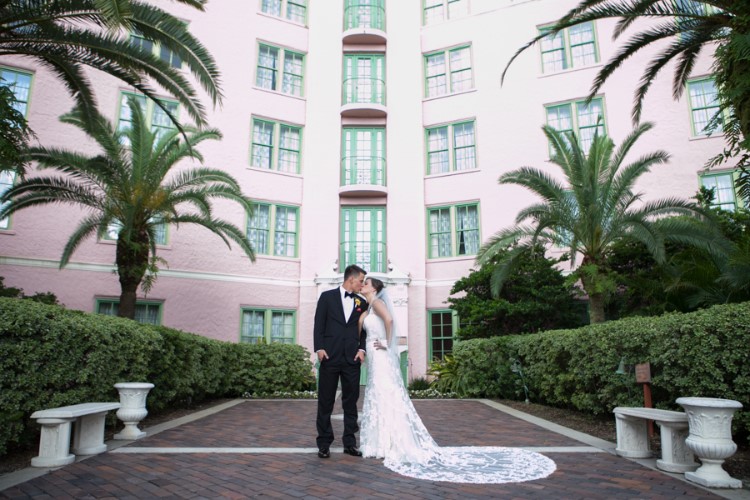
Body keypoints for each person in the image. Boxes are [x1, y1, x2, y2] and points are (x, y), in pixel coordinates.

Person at [357, 277, 558, 484]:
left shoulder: (378, 303)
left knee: (385, 394)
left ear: (375, 288)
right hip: (375, 357)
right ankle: (382, 441)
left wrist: (386, 344)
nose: (363, 284)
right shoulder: (370, 307)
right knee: (378, 395)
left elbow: (390, 321)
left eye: (366, 282)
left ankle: (391, 442)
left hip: (381, 356)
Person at [314, 264, 368, 459]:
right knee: (325, 401)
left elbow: (365, 330)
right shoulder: (326, 297)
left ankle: (350, 443)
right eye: (361, 281)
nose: (362, 284)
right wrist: (319, 348)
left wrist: (362, 350)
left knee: (351, 402)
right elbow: (318, 324)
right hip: (329, 356)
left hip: (352, 359)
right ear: (351, 279)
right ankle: (324, 443)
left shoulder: (362, 302)